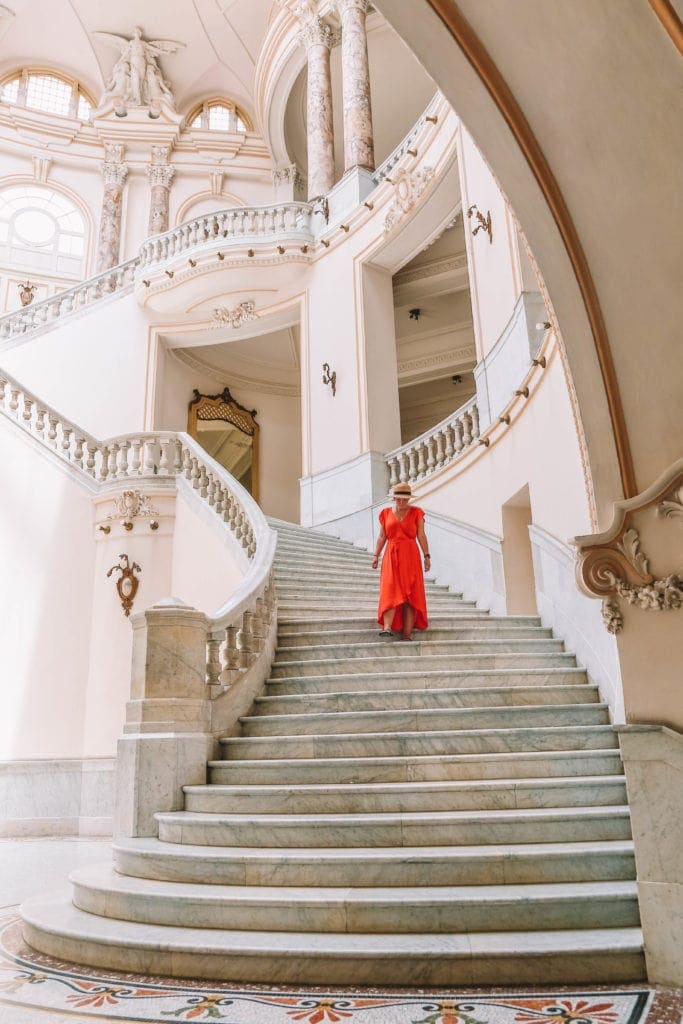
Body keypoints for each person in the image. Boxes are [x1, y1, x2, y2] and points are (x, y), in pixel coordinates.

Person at [371, 481, 430, 640]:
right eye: (399, 499)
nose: (402, 502)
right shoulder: (385, 513)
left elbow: (421, 536)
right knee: (390, 589)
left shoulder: (417, 513)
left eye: (405, 499)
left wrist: (426, 556)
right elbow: (382, 536)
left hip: (410, 556)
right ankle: (388, 627)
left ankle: (407, 634)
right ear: (394, 498)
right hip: (391, 554)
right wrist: (376, 555)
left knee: (411, 595)